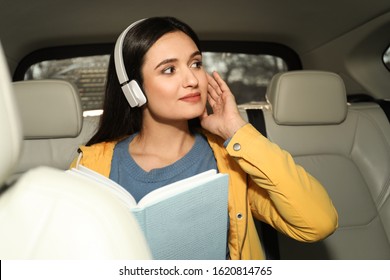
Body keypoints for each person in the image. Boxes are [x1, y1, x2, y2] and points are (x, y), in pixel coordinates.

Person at [71, 16, 338, 260]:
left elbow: (318, 222)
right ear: (133, 90)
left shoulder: (231, 160)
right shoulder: (91, 167)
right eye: (169, 70)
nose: (192, 79)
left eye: (195, 64)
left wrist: (236, 131)